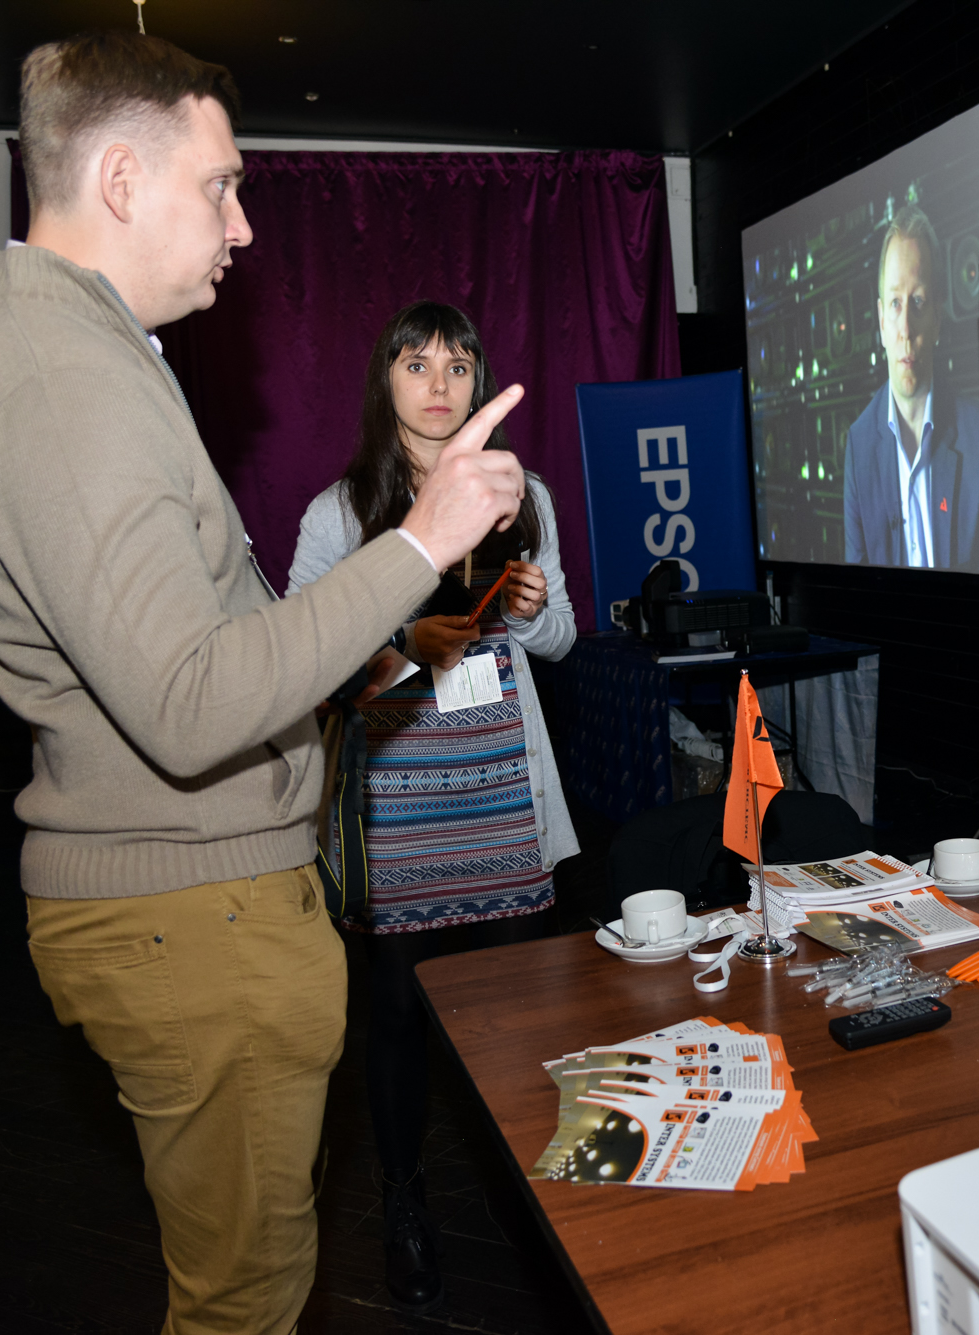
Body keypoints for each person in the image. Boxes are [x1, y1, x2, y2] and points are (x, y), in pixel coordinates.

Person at [0, 30, 527, 1334]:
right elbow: (192, 701)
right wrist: (420, 544)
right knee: (244, 1303)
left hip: (203, 900)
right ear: (121, 179)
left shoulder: (78, 352)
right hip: (190, 914)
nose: (242, 225)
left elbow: (207, 645)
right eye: (221, 186)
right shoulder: (59, 375)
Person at [286, 300, 578, 1314]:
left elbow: (563, 638)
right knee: (401, 1017)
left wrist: (530, 613)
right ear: (386, 382)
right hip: (398, 809)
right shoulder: (340, 510)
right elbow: (304, 664)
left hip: (503, 799)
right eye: (417, 364)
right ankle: (404, 1203)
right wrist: (405, 637)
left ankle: (524, 1197)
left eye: (458, 364)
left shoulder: (522, 491)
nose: (440, 383)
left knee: (518, 1012)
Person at [842, 204, 979, 571]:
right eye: (895, 303)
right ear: (881, 321)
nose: (905, 327)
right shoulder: (859, 446)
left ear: (937, 317)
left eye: (917, 302)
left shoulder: (977, 433)